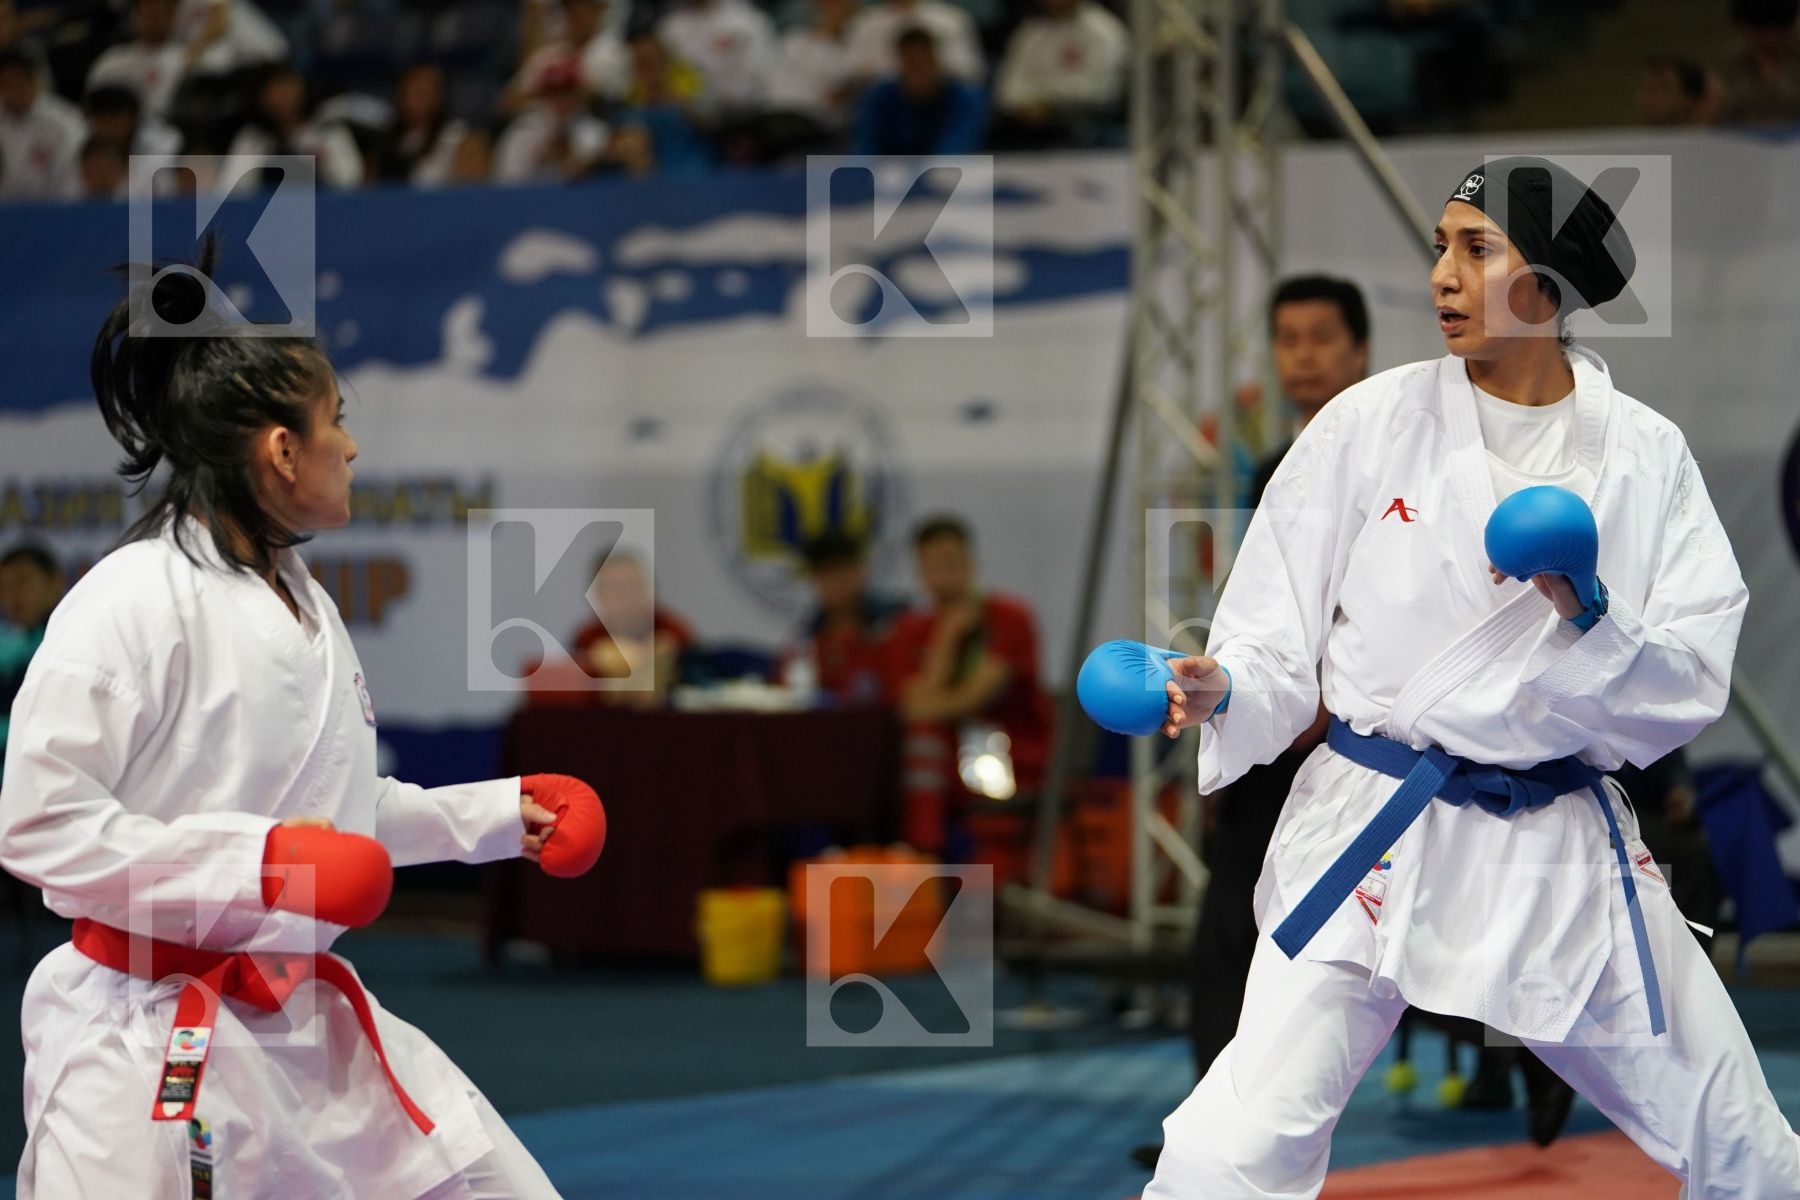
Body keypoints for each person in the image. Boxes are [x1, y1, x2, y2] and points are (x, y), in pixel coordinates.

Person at [1145, 157, 1797, 1197]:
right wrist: (1224, 685)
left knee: (1746, 1147)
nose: (1443, 274)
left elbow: (1687, 684)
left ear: (1545, 282)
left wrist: (1588, 616)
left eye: (1475, 248)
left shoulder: (1644, 458)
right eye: (1441, 247)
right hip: (1373, 825)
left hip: (1557, 845)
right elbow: (1272, 638)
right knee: (1228, 1148)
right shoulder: (1366, 425)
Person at [0, 245, 601, 1197]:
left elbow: (336, 822)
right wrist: (261, 863)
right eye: (337, 423)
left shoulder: (299, 596)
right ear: (280, 450)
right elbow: (36, 828)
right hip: (145, 1033)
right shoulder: (128, 600)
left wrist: (496, 816)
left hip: (298, 1015)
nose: (352, 447)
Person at [885, 515, 1050, 854]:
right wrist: (946, 642)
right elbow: (907, 707)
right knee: (917, 740)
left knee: (923, 737)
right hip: (944, 768)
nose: (941, 574)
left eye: (950, 562)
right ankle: (912, 857)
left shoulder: (1009, 617)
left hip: (1010, 760)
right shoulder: (912, 629)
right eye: (930, 565)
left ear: (971, 562)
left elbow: (974, 698)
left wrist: (929, 703)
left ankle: (924, 854)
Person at [776, 530, 905, 704]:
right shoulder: (805, 638)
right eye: (824, 574)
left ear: (859, 570)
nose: (834, 583)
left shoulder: (895, 621)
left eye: (840, 571)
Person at [991, 0, 1127, 150]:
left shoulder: (1103, 30)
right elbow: (1008, 89)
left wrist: (1049, 104)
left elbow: (1103, 89)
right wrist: (1026, 105)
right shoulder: (1030, 32)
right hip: (1030, 123)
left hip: (1086, 120)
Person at [571, 548, 694, 707]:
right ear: (598, 595)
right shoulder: (587, 639)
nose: (624, 595)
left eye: (632, 585)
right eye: (614, 588)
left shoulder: (675, 631)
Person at [852, 27, 987, 156]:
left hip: (947, 175)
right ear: (900, 62)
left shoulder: (964, 97)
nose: (919, 70)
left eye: (925, 61)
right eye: (912, 62)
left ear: (936, 60)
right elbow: (864, 147)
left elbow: (955, 149)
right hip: (889, 173)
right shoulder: (880, 96)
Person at [0, 543, 63, 780]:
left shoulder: (66, 642)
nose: (12, 596)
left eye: (23, 582)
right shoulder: (12, 649)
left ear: (55, 583)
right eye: (4, 586)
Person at [0, 47, 81, 201]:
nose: (14, 89)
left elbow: (71, 176)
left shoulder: (64, 121)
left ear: (35, 81)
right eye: (7, 83)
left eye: (19, 80)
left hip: (52, 208)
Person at [1713, 0, 1800, 126]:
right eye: (1762, 31)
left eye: (1781, 29)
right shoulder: (1735, 60)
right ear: (1742, 27)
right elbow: (1729, 109)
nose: (1773, 38)